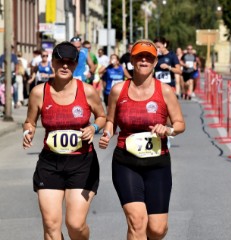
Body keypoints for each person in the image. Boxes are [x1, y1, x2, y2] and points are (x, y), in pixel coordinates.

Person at [98, 39, 185, 240]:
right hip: (126, 162)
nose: (144, 60)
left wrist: (168, 130)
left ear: (155, 62)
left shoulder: (165, 91)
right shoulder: (119, 90)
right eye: (139, 57)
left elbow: (180, 123)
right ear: (132, 60)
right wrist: (106, 134)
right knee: (137, 222)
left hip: (157, 163)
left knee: (157, 229)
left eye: (148, 57)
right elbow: (110, 121)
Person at [22, 41, 106, 240]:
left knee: (75, 225)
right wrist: (28, 132)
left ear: (76, 65)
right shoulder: (38, 93)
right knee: (51, 226)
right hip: (50, 163)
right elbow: (30, 121)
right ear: (52, 62)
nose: (65, 66)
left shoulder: (87, 91)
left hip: (82, 163)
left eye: (70, 62)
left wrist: (93, 127)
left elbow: (102, 117)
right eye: (60, 61)